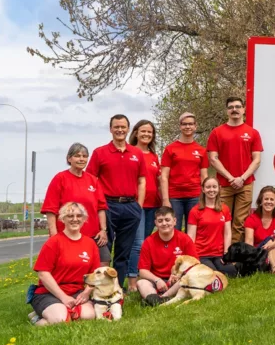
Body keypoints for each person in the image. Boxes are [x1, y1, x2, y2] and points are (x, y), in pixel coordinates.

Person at [86, 114, 145, 288]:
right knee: (105, 250)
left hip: (130, 207)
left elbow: (142, 181)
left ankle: (118, 288)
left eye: (123, 127)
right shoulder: (100, 153)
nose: (120, 130)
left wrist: (138, 206)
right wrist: (97, 206)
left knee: (124, 252)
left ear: (128, 129)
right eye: (116, 127)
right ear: (111, 129)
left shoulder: (136, 153)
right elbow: (91, 181)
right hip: (108, 206)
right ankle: (101, 287)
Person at [29, 202, 100, 326]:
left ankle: (51, 314)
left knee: (88, 316)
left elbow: (95, 274)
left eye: (79, 216)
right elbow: (43, 274)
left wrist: (86, 292)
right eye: (70, 216)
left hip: (76, 292)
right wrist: (63, 297)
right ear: (62, 219)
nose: (75, 219)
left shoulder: (90, 244)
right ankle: (38, 318)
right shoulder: (54, 242)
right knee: (61, 320)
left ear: (84, 219)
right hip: (49, 292)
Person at [41, 143, 110, 266]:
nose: (81, 159)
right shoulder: (60, 178)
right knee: (73, 264)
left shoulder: (93, 180)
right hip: (67, 235)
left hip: (92, 235)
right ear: (69, 159)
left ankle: (97, 286)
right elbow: (50, 209)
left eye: (84, 156)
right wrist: (54, 234)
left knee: (104, 261)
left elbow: (101, 208)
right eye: (77, 156)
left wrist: (103, 230)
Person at [207, 97, 264, 243]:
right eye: (231, 107)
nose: (234, 110)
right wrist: (231, 178)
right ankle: (220, 252)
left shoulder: (253, 133)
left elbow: (256, 160)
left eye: (238, 107)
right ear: (227, 111)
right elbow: (213, 158)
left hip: (245, 184)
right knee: (221, 219)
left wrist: (242, 178)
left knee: (240, 222)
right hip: (224, 185)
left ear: (243, 110)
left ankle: (234, 256)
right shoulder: (217, 132)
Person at [136, 206, 197, 306]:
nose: (164, 223)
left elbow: (194, 265)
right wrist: (157, 280)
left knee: (187, 279)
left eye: (167, 220)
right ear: (155, 223)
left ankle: (161, 298)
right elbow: (142, 271)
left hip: (177, 280)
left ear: (174, 221)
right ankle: (154, 298)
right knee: (141, 283)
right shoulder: (148, 242)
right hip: (156, 280)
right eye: (160, 221)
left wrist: (178, 275)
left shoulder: (185, 239)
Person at [127, 119, 162, 292]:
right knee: (138, 243)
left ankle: (142, 276)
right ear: (135, 133)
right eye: (143, 131)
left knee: (145, 243)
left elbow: (158, 180)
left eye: (150, 132)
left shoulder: (154, 156)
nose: (147, 134)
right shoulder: (130, 152)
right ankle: (132, 282)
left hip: (153, 205)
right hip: (136, 205)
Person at [160, 112, 209, 231]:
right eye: (184, 124)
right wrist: (165, 199)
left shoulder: (201, 150)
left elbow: (204, 176)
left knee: (193, 229)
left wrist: (205, 198)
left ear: (195, 126)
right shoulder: (170, 149)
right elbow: (164, 176)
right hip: (174, 197)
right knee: (173, 229)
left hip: (194, 196)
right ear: (180, 126)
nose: (188, 127)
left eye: (191, 124)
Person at [187, 177, 238, 277]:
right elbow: (190, 236)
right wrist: (193, 257)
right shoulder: (195, 211)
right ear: (203, 189)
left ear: (219, 188)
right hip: (201, 254)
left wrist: (226, 253)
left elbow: (227, 233)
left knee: (232, 272)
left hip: (218, 254)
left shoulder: (224, 208)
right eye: (208, 187)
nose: (211, 190)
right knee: (212, 275)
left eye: (214, 187)